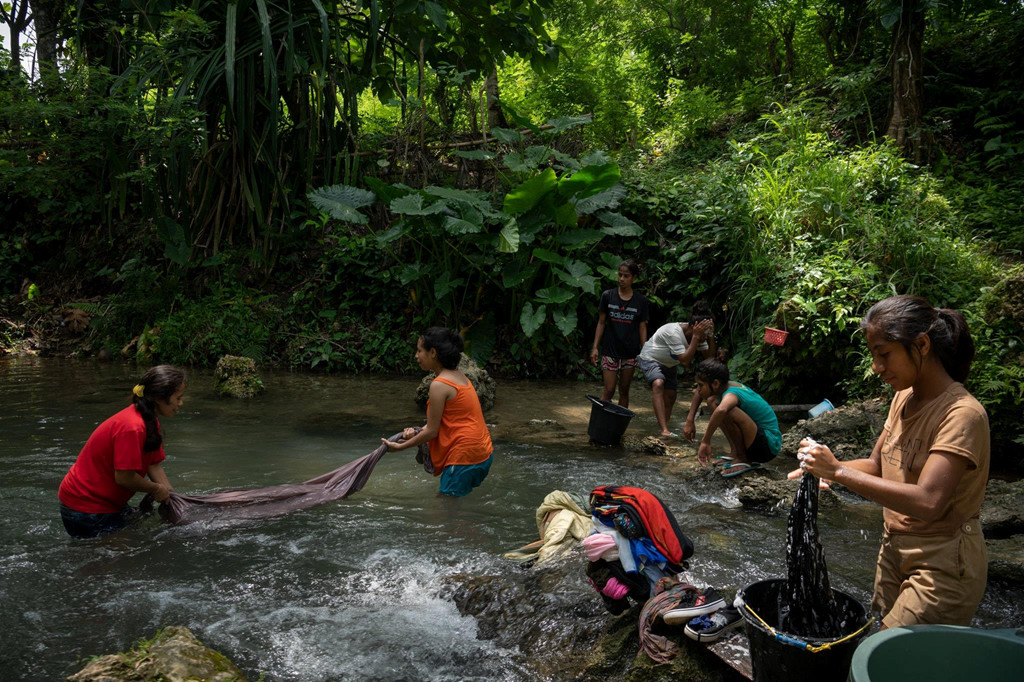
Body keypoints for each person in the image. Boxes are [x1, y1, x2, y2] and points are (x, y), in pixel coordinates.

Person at [790, 295, 989, 629]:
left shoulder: (962, 414)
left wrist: (837, 470)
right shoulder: (902, 398)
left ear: (922, 344)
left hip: (942, 563)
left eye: (883, 354)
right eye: (873, 355)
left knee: (890, 653)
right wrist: (824, 470)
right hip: (894, 550)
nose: (876, 367)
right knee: (881, 646)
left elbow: (928, 501)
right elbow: (878, 466)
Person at [57, 365, 186, 538]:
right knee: (121, 558)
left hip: (104, 502)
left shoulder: (149, 420)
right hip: (85, 506)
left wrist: (174, 499)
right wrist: (155, 489)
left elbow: (154, 466)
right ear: (158, 398)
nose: (181, 403)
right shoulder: (132, 427)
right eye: (178, 398)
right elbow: (124, 477)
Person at [383, 328, 493, 497]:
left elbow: (432, 431)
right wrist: (417, 433)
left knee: (443, 514)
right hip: (483, 453)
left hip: (464, 458)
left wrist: (400, 447)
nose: (416, 356)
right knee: (452, 510)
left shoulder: (439, 385)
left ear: (433, 353)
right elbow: (443, 421)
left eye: (419, 351)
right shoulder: (459, 376)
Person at [690, 359, 781, 477]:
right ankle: (736, 452)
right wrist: (689, 419)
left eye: (700, 385)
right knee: (712, 401)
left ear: (716, 384)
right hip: (758, 439)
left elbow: (722, 410)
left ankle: (743, 458)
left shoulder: (732, 393)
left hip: (768, 445)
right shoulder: (726, 385)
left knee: (725, 409)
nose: (698, 389)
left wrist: (706, 441)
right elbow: (703, 396)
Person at [637, 302, 716, 438]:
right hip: (650, 358)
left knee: (671, 395)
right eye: (703, 334)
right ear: (693, 327)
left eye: (705, 335)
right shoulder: (673, 332)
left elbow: (709, 359)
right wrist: (697, 338)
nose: (704, 338)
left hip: (669, 364)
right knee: (658, 383)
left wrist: (711, 337)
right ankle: (664, 430)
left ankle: (663, 430)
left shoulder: (699, 335)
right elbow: (685, 361)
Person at [589, 259, 649, 408]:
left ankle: (619, 425)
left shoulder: (641, 301)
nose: (621, 279)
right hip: (610, 351)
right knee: (608, 390)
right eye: (620, 275)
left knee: (624, 390)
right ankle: (601, 422)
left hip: (630, 353)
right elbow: (601, 322)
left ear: (634, 278)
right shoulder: (608, 296)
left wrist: (645, 352)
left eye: (626, 276)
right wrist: (595, 347)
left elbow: (642, 328)